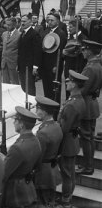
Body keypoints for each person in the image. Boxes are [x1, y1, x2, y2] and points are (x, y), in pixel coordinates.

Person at [57, 70, 88, 208]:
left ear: (75, 85)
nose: (67, 82)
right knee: (70, 173)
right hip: (73, 139)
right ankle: (67, 198)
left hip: (67, 142)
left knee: (67, 174)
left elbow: (63, 127)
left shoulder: (71, 104)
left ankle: (65, 201)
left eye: (70, 80)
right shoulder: (78, 99)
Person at [2, 106, 42, 208]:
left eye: (15, 120)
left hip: (15, 192)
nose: (13, 123)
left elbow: (3, 174)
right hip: (28, 186)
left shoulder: (17, 148)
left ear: (22, 124)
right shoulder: (35, 140)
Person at [76, 40, 102, 175]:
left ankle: (88, 166)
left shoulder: (90, 68)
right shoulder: (96, 65)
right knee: (89, 137)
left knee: (86, 138)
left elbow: (83, 89)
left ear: (90, 51)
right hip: (92, 103)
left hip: (86, 105)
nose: (82, 52)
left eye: (84, 50)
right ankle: (88, 164)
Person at [34, 96, 63, 207]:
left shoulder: (43, 132)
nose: (36, 111)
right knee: (50, 201)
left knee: (43, 202)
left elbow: (38, 156)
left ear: (45, 112)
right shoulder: (57, 126)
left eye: (38, 109)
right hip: (52, 169)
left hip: (43, 173)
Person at [41, 13, 67, 103]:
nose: (50, 22)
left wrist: (57, 65)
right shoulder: (45, 31)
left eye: (52, 20)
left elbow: (61, 52)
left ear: (58, 21)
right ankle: (47, 108)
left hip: (54, 66)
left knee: (55, 91)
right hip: (45, 65)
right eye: (48, 20)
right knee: (46, 88)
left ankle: (55, 112)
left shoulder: (61, 34)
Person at [17, 13, 42, 96]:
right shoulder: (22, 33)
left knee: (30, 87)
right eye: (21, 21)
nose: (22, 23)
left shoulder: (34, 34)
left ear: (30, 22)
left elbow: (37, 51)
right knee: (23, 87)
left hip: (30, 66)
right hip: (22, 66)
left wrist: (35, 66)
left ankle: (31, 104)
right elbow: (20, 51)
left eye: (24, 21)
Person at [1, 17, 20, 84]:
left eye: (9, 25)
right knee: (5, 83)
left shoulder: (19, 35)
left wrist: (18, 64)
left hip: (13, 63)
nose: (7, 26)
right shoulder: (4, 34)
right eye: (6, 24)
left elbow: (20, 51)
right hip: (4, 62)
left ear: (14, 25)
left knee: (15, 82)